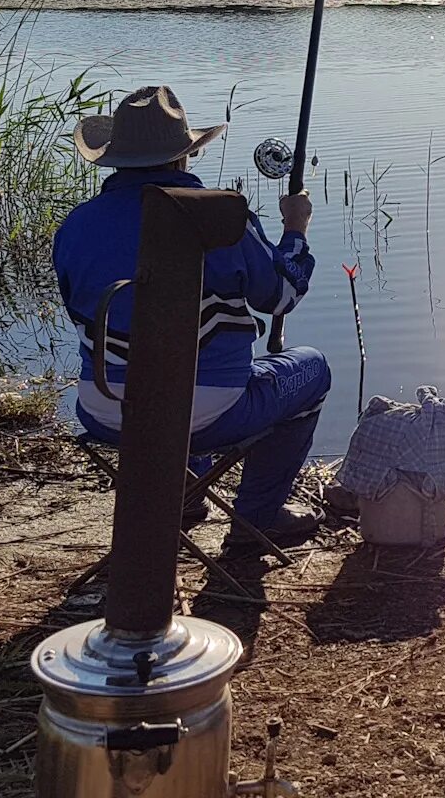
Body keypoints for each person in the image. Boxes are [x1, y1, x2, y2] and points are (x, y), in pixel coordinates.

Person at [53, 84, 329, 550]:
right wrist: (295, 230)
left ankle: (181, 493)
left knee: (165, 372)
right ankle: (257, 520)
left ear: (115, 159)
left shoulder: (75, 226)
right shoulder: (224, 218)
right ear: (184, 155)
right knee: (313, 371)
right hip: (208, 417)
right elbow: (281, 296)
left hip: (104, 411)